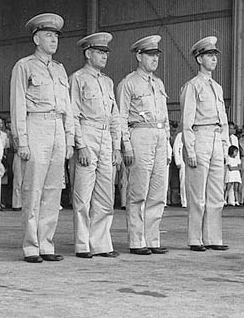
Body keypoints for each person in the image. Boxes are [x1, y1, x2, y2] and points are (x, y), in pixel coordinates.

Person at [10, 13, 74, 263]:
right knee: (33, 190)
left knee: (52, 192)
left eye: (56, 36)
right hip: (36, 126)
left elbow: (67, 106)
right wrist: (21, 141)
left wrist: (69, 138)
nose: (54, 40)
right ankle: (31, 246)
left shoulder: (59, 69)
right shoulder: (24, 66)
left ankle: (47, 243)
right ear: (36, 38)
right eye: (48, 35)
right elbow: (17, 106)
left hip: (57, 127)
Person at [68, 32, 122, 259]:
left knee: (105, 195)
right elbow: (72, 115)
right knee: (82, 195)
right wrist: (80, 145)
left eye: (105, 52)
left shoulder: (108, 82)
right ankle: (83, 245)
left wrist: (117, 147)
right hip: (87, 134)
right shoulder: (77, 79)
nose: (104, 56)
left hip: (106, 139)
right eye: (100, 52)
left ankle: (101, 243)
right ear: (88, 53)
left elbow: (115, 116)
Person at [117, 34, 170, 256]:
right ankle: (137, 240)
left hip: (159, 135)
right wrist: (126, 145)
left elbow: (165, 117)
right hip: (139, 133)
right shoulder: (128, 83)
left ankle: (153, 239)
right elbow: (120, 116)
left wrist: (167, 143)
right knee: (138, 190)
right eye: (150, 55)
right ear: (139, 56)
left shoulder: (158, 83)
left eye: (156, 54)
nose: (154, 59)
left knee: (158, 191)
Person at [179, 36, 229, 252]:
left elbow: (224, 120)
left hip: (216, 138)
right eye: (209, 56)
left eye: (215, 56)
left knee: (216, 193)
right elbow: (187, 121)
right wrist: (189, 149)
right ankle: (195, 239)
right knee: (197, 194)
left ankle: (213, 238)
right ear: (199, 59)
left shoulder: (217, 88)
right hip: (200, 137)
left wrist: (225, 146)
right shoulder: (192, 86)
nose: (213, 59)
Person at [171, 127, 187, 207]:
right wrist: (178, 161)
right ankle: (184, 201)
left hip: (194, 161)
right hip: (183, 161)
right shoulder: (180, 135)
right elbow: (176, 149)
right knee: (183, 182)